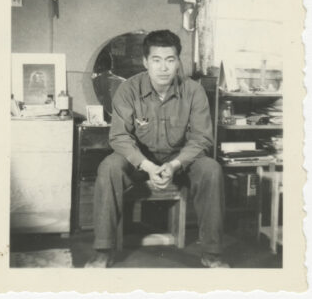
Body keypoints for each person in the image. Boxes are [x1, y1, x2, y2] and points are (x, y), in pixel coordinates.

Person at [87, 29, 228, 268]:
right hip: (140, 159)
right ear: (145, 62)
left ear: (178, 62)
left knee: (211, 169)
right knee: (108, 167)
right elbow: (120, 137)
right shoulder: (128, 90)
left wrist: (174, 165)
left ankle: (212, 253)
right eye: (156, 60)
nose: (163, 68)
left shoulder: (194, 91)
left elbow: (201, 138)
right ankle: (103, 250)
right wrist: (147, 165)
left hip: (180, 158)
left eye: (170, 60)